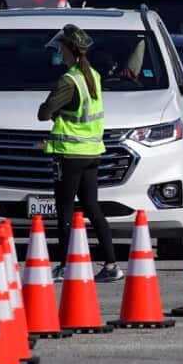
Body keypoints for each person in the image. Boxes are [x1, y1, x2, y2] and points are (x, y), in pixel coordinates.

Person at [37, 24, 124, 283]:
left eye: (61, 49)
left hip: (70, 154)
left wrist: (54, 112)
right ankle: (111, 265)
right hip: (92, 152)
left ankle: (65, 265)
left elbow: (44, 113)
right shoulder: (92, 75)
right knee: (92, 208)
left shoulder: (69, 79)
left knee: (64, 210)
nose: (59, 53)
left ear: (67, 49)